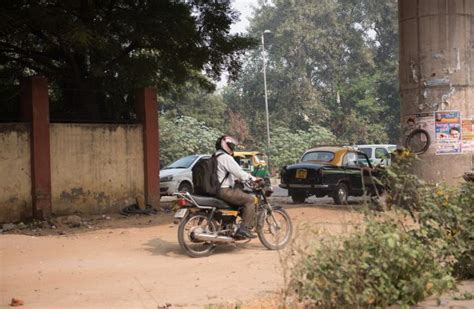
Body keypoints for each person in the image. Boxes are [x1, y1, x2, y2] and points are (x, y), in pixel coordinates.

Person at [214, 135, 258, 239]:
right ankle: (244, 229)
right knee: (250, 200)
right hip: (224, 191)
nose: (232, 147)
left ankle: (227, 226)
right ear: (226, 145)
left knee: (237, 198)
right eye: (231, 145)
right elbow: (240, 173)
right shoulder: (225, 158)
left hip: (215, 190)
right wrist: (254, 179)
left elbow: (225, 174)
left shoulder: (214, 156)